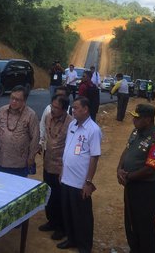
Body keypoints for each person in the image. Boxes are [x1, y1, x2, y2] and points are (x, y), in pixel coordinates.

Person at [117, 104, 155, 253]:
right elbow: (126, 150)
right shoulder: (135, 132)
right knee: (131, 222)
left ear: (148, 119)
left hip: (145, 190)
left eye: (137, 118)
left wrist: (129, 176)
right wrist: (119, 169)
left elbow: (150, 169)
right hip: (131, 186)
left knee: (144, 225)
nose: (134, 120)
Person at [58, 96, 101, 253]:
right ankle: (71, 239)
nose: (73, 110)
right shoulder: (72, 125)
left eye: (76, 108)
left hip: (80, 181)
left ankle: (84, 246)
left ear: (85, 109)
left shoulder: (93, 130)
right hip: (67, 177)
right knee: (68, 212)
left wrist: (88, 182)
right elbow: (68, 149)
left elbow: (94, 157)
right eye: (73, 108)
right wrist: (62, 169)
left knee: (82, 216)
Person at [38, 95, 73, 241]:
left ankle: (61, 227)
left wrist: (64, 169)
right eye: (52, 106)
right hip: (48, 163)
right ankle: (51, 222)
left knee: (60, 199)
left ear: (64, 110)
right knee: (49, 195)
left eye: (56, 108)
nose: (52, 109)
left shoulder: (71, 123)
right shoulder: (48, 117)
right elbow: (45, 136)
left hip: (61, 168)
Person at [0, 85, 39, 177]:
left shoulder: (31, 115)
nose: (13, 101)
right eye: (12, 98)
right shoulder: (2, 111)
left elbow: (35, 138)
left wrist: (31, 157)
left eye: (17, 99)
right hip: (0, 160)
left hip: (19, 164)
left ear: (24, 101)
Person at [39, 86, 69, 151]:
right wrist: (41, 142)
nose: (59, 98)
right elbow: (42, 127)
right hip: (48, 151)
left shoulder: (71, 112)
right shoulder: (48, 109)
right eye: (57, 95)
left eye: (62, 96)